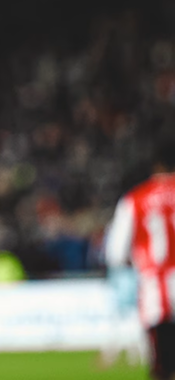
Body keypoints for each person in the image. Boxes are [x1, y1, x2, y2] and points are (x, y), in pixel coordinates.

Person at [105, 131, 175, 380]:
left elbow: (115, 253)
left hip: (157, 294)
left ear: (156, 166)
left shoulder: (135, 199)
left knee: (163, 368)